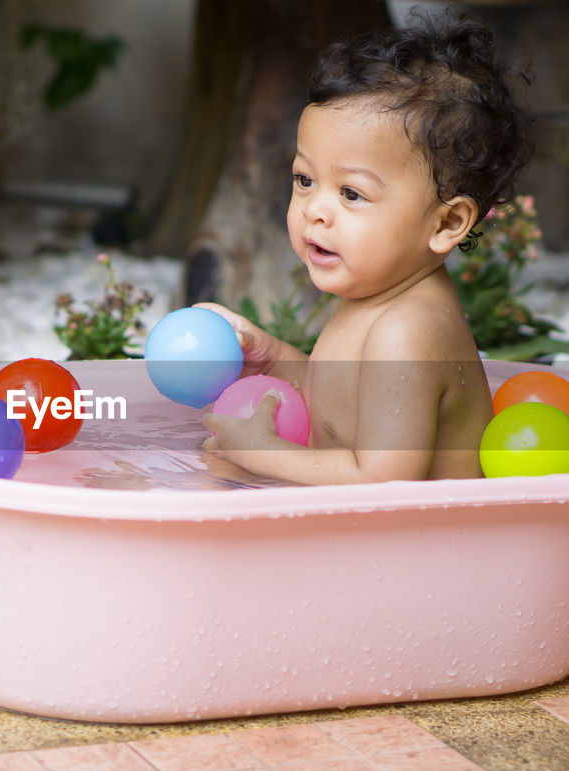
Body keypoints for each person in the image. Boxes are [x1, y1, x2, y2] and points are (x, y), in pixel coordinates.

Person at [199, 11, 533, 485]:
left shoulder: (407, 332)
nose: (316, 209)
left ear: (448, 222)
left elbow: (383, 479)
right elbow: (338, 402)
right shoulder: (381, 296)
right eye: (305, 179)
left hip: (427, 551)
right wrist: (269, 358)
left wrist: (261, 453)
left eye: (351, 193)